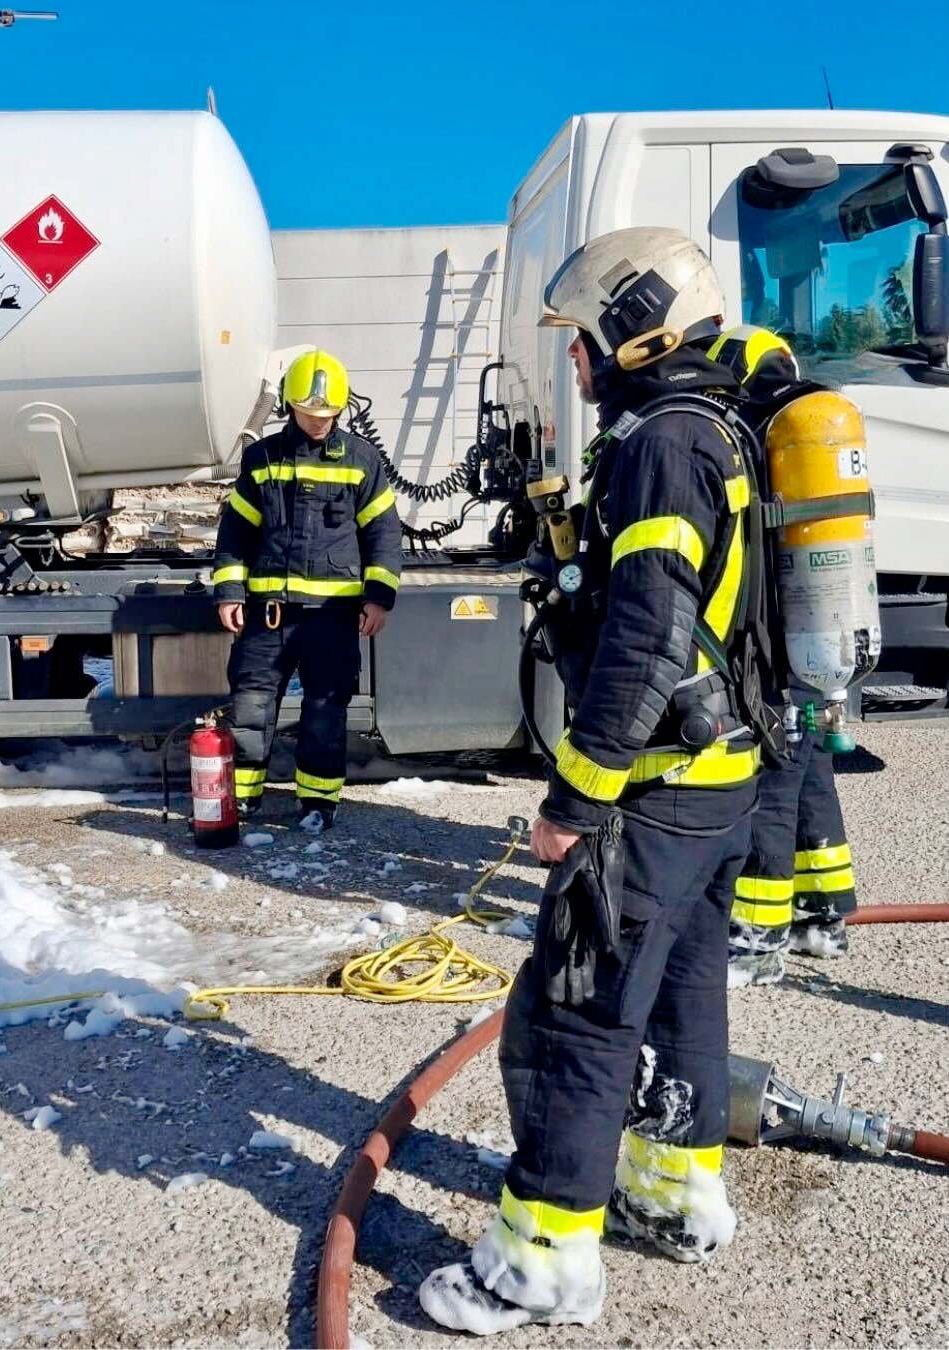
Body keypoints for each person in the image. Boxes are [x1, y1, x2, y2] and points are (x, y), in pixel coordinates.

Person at [420, 228, 769, 1334]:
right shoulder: (720, 427)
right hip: (719, 787)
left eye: (583, 339)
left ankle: (540, 1264)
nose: (574, 361)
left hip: (653, 795)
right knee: (684, 997)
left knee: (577, 1014)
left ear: (639, 331)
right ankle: (674, 1198)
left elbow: (647, 640)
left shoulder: (663, 443)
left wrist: (575, 804)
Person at [708, 325, 858, 985]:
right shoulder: (810, 430)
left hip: (779, 642)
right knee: (812, 774)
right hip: (826, 637)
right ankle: (823, 916)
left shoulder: (753, 437)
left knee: (771, 781)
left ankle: (757, 937)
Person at [210, 349, 401, 830]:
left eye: (329, 412)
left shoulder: (362, 459)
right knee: (251, 706)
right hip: (268, 614)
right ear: (289, 405)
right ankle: (242, 798)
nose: (320, 421)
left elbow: (383, 533)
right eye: (310, 411)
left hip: (332, 616)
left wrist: (378, 597)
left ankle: (318, 803)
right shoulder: (262, 458)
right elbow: (236, 532)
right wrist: (230, 592)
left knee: (325, 711)